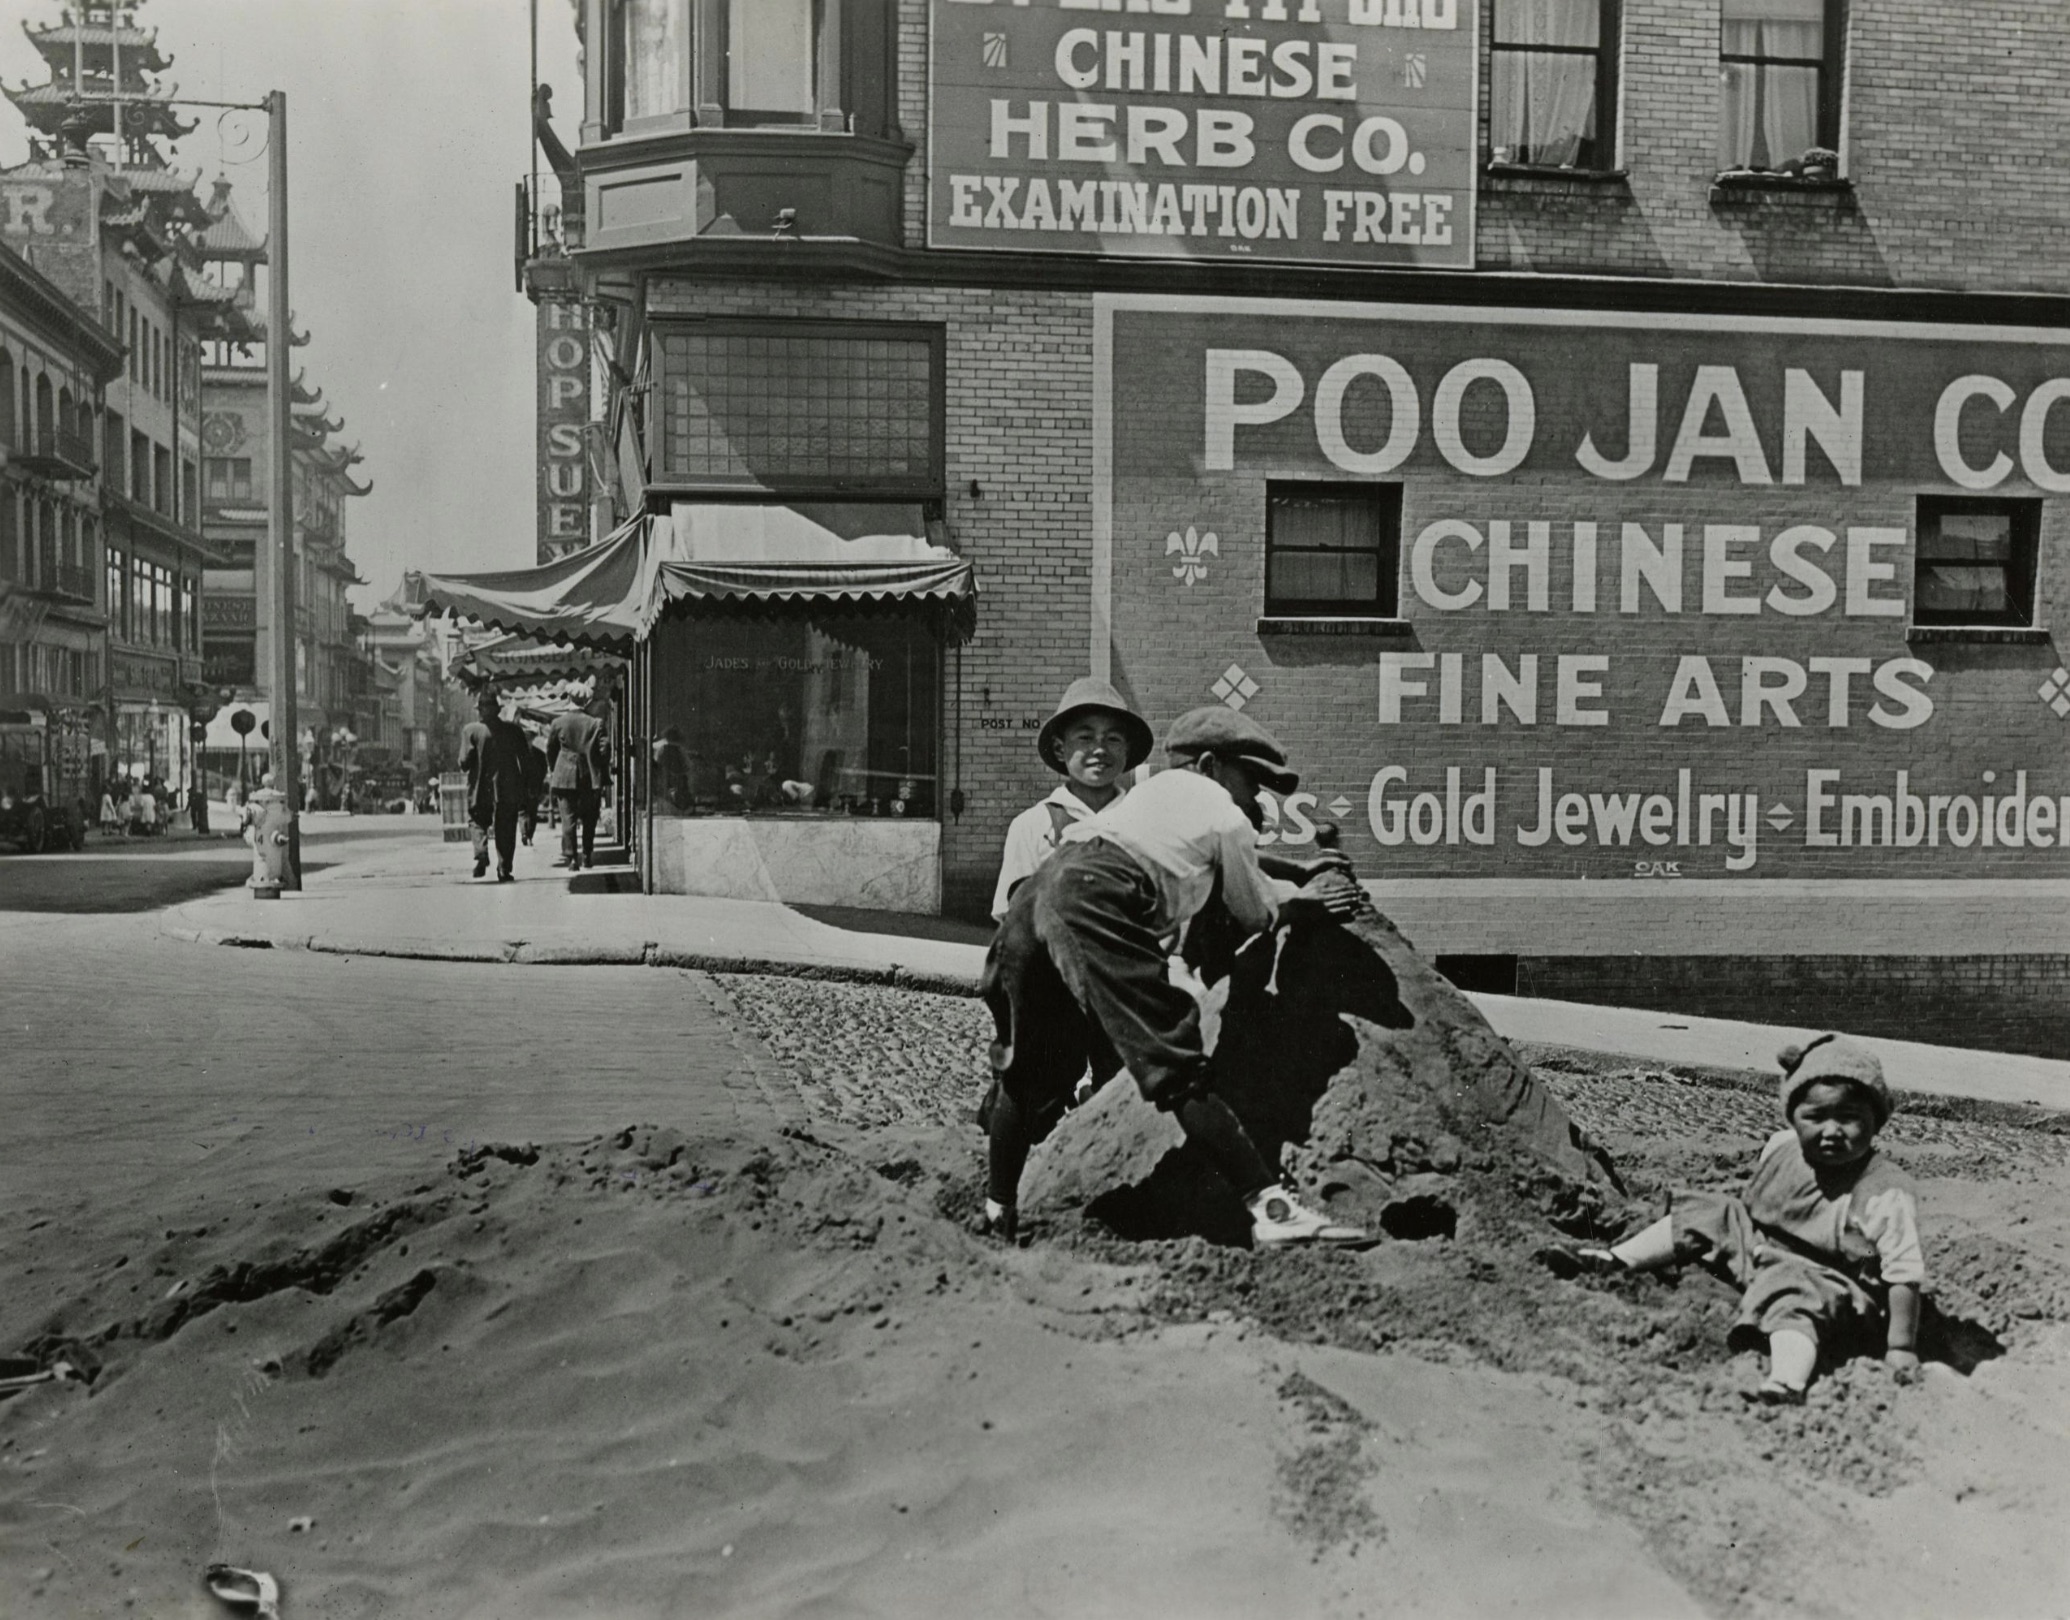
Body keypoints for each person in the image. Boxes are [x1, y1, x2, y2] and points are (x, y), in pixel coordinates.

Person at [979, 705, 1372, 1249]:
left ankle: (997, 1209)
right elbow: (1254, 911)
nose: (1255, 798)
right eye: (1251, 781)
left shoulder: (1149, 796)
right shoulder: (1225, 814)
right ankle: (1274, 1211)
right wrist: (1310, 902)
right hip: (1094, 901)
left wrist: (1297, 868)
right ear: (1211, 765)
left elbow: (1213, 850)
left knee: (1029, 1072)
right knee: (1173, 1063)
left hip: (1037, 899)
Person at [1559, 1034, 1924, 1405]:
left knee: (1793, 1294)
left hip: (1833, 1285)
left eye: (1850, 1119)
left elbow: (1903, 1274)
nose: (1831, 1131)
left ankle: (1787, 1382)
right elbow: (1758, 1208)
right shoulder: (1783, 1147)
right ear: (1794, 1117)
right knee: (1715, 1211)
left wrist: (1900, 1345)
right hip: (1763, 1248)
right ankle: (1620, 1259)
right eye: (1815, 1117)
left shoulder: (1883, 1190)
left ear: (1876, 1122)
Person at [991, 677, 1152, 922]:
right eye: (1085, 738)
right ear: (1059, 748)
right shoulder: (1033, 824)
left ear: (1127, 749)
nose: (1100, 749)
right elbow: (1013, 916)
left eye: (1113, 739)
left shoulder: (1145, 822)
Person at [459, 688, 531, 882]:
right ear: (498, 710)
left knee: (477, 820)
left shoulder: (471, 731)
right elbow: (526, 760)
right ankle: (504, 868)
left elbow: (464, 763)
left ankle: (481, 852)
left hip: (480, 787)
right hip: (508, 786)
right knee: (506, 826)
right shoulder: (514, 730)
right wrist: (525, 786)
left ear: (479, 710)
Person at [547, 692, 611, 870]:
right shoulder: (596, 723)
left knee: (568, 819)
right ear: (587, 701)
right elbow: (605, 749)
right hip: (589, 778)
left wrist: (556, 769)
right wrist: (598, 766)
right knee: (589, 818)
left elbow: (550, 751)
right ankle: (587, 856)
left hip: (564, 778)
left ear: (569, 700)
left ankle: (572, 857)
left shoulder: (558, 723)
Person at [520, 729, 549, 848]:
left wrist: (539, 783)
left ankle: (529, 835)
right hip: (521, 787)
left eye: (529, 739)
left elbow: (543, 770)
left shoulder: (540, 754)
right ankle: (524, 833)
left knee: (532, 812)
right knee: (522, 812)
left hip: (534, 787)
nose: (528, 742)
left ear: (532, 740)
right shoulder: (518, 755)